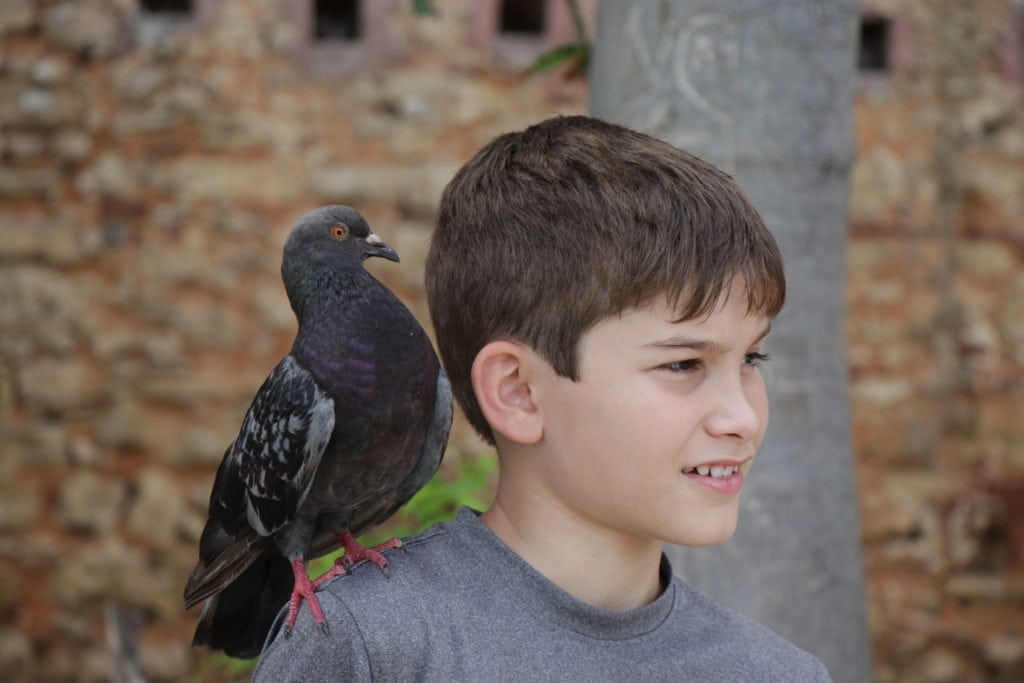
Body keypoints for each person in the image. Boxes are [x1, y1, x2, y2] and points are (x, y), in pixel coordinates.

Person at [254, 115, 831, 681]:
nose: (743, 417)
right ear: (518, 393)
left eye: (752, 359)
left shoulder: (783, 673)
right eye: (683, 363)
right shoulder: (366, 649)